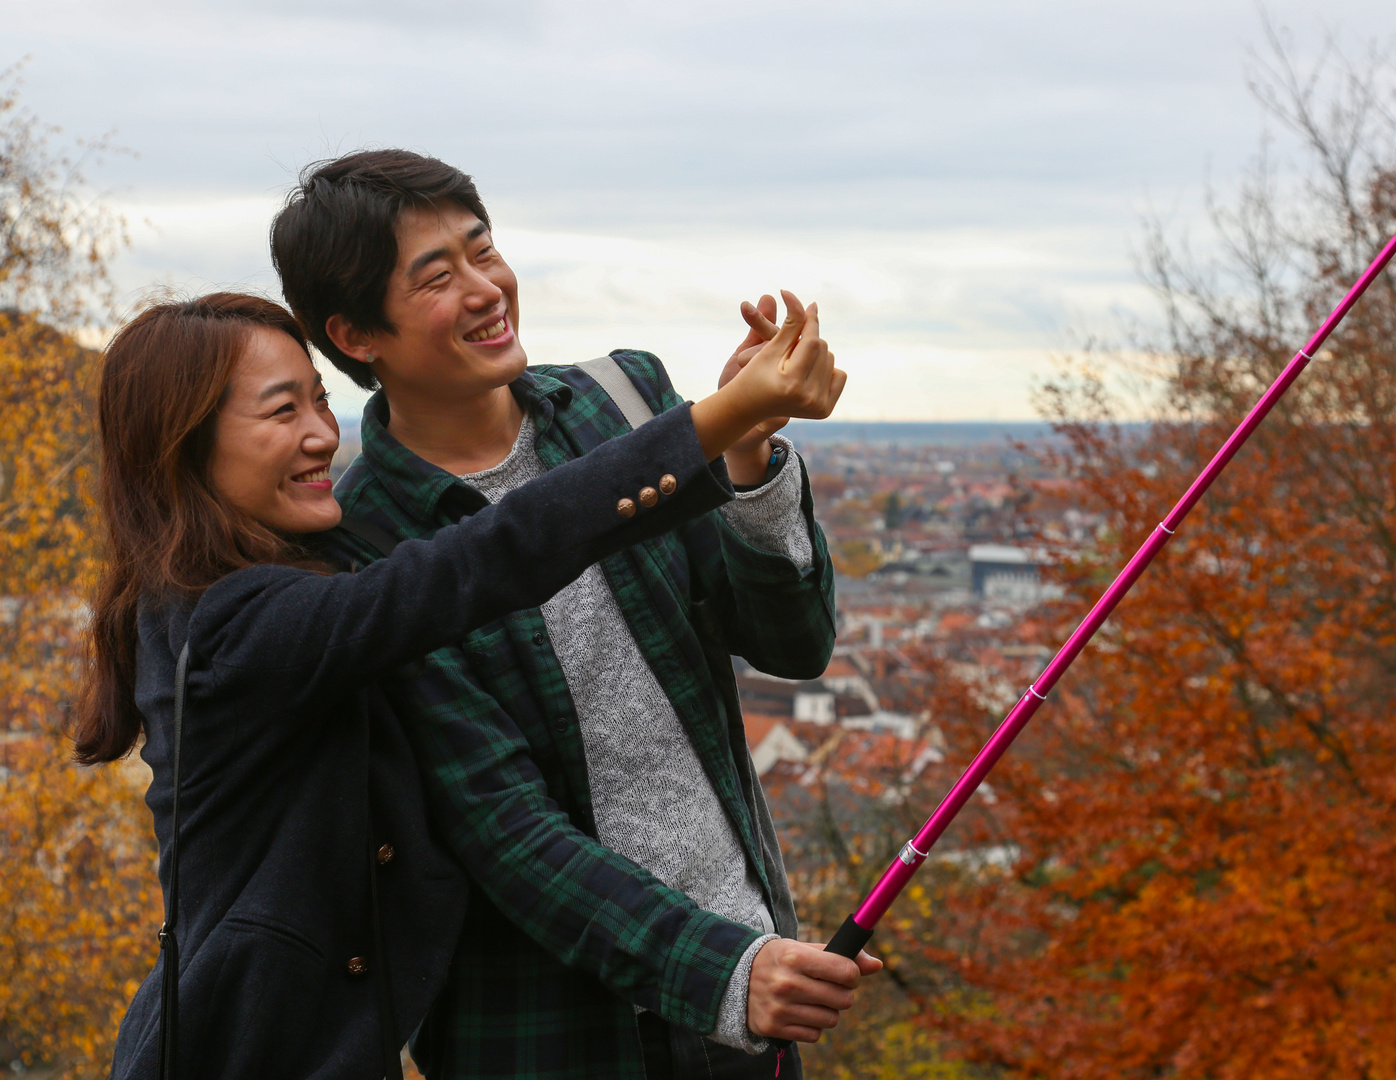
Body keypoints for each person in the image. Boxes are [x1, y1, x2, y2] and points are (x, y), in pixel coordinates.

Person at [75, 290, 846, 1079]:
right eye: (281, 412)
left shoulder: (226, 602)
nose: (321, 435)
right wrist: (714, 421)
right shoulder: (237, 630)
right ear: (184, 448)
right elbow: (487, 557)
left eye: (319, 400)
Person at [271, 149, 878, 1080]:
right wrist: (724, 971)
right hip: (549, 1033)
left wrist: (749, 455)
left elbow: (795, 644)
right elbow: (499, 820)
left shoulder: (626, 401)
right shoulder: (359, 548)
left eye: (484, 250)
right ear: (357, 335)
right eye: (437, 276)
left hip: (749, 992)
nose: (485, 289)